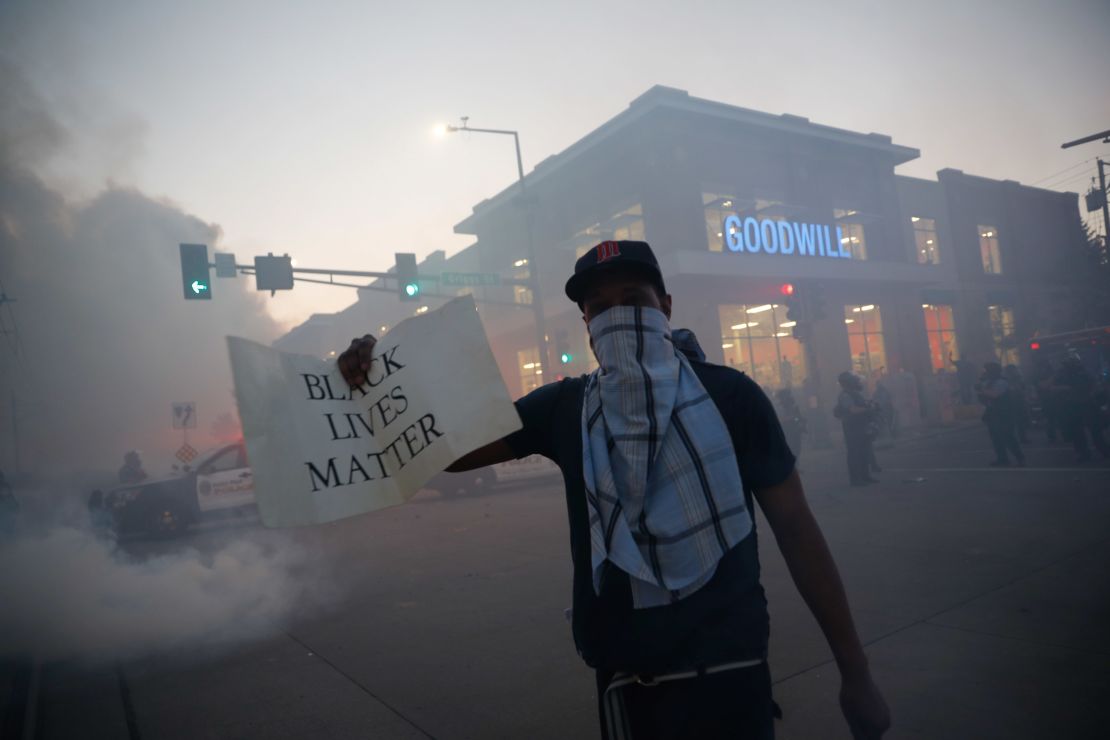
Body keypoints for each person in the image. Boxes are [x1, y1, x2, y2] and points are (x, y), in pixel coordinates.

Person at [338, 240, 890, 740]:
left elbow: (797, 531)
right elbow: (453, 451)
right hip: (627, 684)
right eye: (600, 309)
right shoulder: (566, 407)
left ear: (665, 306)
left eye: (634, 299)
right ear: (586, 324)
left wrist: (855, 672)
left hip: (732, 674)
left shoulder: (731, 397)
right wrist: (377, 383)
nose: (618, 316)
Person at [1052, 353, 1110, 462]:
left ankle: (1104, 451)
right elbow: (1053, 387)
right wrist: (1065, 389)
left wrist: (1092, 395)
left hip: (1087, 405)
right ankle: (1084, 454)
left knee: (1095, 431)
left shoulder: (1084, 373)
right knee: (1078, 432)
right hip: (1073, 406)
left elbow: (1096, 386)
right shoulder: (1063, 374)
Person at [833, 372, 880, 486]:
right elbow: (853, 410)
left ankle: (865, 476)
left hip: (861, 425)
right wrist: (868, 409)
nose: (856, 382)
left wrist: (870, 405)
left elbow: (862, 404)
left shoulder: (855, 393)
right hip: (852, 427)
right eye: (853, 380)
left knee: (864, 451)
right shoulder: (845, 395)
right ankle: (856, 479)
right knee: (855, 453)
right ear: (847, 382)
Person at [976, 362, 1025, 467]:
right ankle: (1002, 459)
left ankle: (1020, 458)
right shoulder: (988, 382)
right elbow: (983, 398)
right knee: (996, 438)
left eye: (987, 370)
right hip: (993, 413)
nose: (985, 372)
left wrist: (982, 390)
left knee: (1008, 436)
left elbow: (994, 394)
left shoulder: (1001, 382)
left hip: (1004, 413)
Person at [774, 388, 806, 460]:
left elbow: (798, 416)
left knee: (795, 447)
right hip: (786, 429)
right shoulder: (779, 407)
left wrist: (799, 421)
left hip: (793, 429)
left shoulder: (794, 406)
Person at [1003, 364, 1030, 443]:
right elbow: (1014, 390)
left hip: (1018, 401)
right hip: (1012, 403)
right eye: (1014, 370)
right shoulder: (1006, 380)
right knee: (1016, 421)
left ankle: (1021, 437)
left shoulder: (1017, 378)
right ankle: (1017, 438)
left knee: (1019, 421)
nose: (1015, 371)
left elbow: (1023, 388)